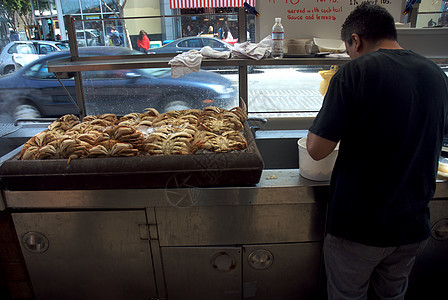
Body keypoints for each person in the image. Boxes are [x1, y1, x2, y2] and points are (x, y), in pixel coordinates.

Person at [306, 2, 448, 299]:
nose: (349, 55)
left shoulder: (353, 73)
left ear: (355, 40)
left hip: (360, 227)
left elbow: (317, 149)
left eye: (347, 49)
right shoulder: (436, 74)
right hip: (412, 226)